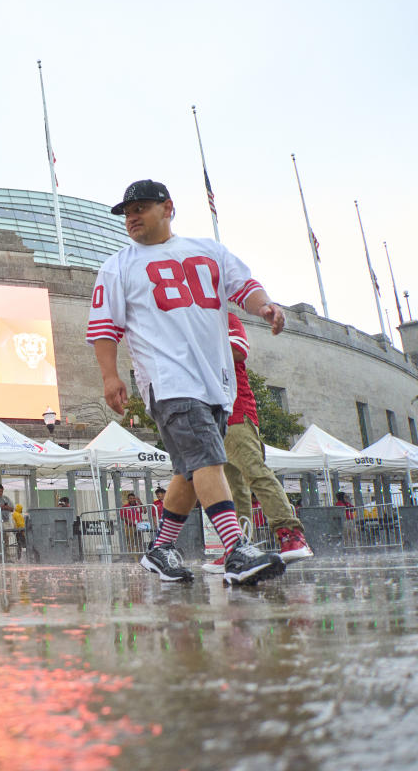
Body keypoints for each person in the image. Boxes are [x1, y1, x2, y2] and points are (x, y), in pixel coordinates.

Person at [88, 179, 286, 585]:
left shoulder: (208, 250)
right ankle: (236, 550)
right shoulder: (118, 265)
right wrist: (110, 376)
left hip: (214, 382)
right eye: (127, 213)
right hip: (169, 380)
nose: (132, 218)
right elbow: (104, 326)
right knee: (209, 462)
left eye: (140, 208)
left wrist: (264, 305)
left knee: (190, 470)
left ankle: (161, 548)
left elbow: (244, 286)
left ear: (168, 207)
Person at [216, 312, 313, 566]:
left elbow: (238, 349)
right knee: (233, 489)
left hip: (237, 413)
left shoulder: (224, 318)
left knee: (255, 473)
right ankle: (239, 547)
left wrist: (196, 346)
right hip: (213, 420)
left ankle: (291, 533)